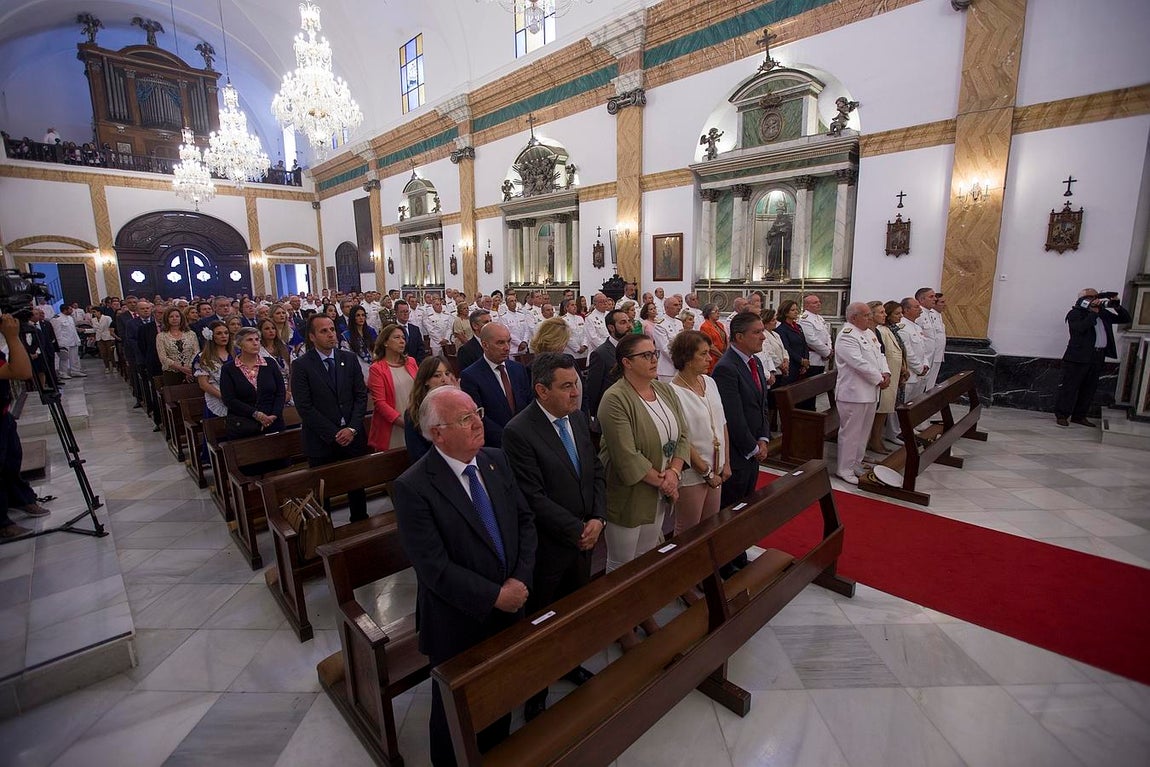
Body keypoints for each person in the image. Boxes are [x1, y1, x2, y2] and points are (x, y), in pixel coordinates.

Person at [391, 386, 536, 767]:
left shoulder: (495, 460)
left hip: (510, 603)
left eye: (477, 412)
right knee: (455, 714)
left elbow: (523, 521)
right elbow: (433, 567)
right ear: (437, 433)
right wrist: (494, 595)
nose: (478, 422)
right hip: (458, 620)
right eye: (464, 419)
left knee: (499, 694)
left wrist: (519, 581)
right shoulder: (414, 487)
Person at [502, 353, 605, 720]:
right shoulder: (519, 431)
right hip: (549, 546)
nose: (576, 393)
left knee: (574, 610)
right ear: (542, 390)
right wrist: (578, 529)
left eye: (576, 384)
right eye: (566, 386)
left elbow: (594, 471)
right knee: (542, 619)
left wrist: (598, 518)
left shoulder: (575, 419)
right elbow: (532, 496)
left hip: (584, 539)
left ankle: (570, 664)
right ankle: (536, 687)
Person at [598, 333, 688, 646]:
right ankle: (620, 624)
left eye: (654, 353)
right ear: (626, 362)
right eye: (646, 355)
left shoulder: (664, 389)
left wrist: (674, 472)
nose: (654, 360)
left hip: (661, 489)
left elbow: (683, 436)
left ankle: (640, 611)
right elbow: (626, 456)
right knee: (623, 562)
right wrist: (665, 480)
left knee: (647, 555)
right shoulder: (615, 398)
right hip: (630, 493)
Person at [292, 314, 370, 521]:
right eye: (323, 331)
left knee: (356, 488)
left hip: (353, 436)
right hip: (322, 440)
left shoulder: (349, 359)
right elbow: (305, 407)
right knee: (322, 494)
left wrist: (352, 428)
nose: (330, 335)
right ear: (312, 337)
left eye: (332, 330)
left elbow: (361, 396)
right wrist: (334, 433)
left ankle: (360, 527)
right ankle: (325, 533)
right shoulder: (302, 365)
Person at [712, 311, 770, 570]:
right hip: (737, 453)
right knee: (730, 508)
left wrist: (764, 438)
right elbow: (732, 416)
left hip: (754, 447)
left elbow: (762, 405)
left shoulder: (754, 362)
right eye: (756, 332)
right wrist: (751, 446)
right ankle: (725, 560)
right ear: (739, 336)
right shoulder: (726, 368)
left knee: (745, 506)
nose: (763, 336)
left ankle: (738, 552)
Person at [669, 330, 730, 539]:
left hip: (716, 467)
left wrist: (726, 462)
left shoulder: (709, 382)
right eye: (703, 354)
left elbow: (721, 423)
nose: (709, 358)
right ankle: (682, 570)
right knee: (688, 530)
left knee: (710, 527)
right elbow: (681, 438)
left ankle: (704, 569)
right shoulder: (673, 392)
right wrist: (706, 472)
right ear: (686, 358)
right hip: (693, 472)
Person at [1054, 288, 1131, 427]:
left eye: (1096, 297)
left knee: (1089, 388)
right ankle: (1062, 415)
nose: (1094, 300)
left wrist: (1117, 306)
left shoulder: (1103, 313)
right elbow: (1080, 328)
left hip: (1097, 356)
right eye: (1090, 297)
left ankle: (1079, 416)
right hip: (1077, 357)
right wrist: (1093, 314)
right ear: (1082, 300)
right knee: (1070, 387)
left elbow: (1125, 319)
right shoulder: (1075, 313)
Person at [834, 302, 890, 485]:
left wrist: (886, 372)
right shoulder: (847, 336)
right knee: (851, 433)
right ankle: (844, 469)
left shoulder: (868, 333)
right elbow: (857, 363)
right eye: (865, 315)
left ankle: (856, 463)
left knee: (863, 431)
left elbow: (880, 355)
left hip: (870, 392)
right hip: (854, 393)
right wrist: (879, 379)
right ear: (853, 317)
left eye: (869, 315)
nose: (870, 318)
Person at [1, 313, 45, 538]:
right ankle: (2, 523)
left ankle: (20, 499)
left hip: (3, 415)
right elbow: (22, 372)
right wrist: (12, 336)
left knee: (11, 461)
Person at [459, 323, 531, 448]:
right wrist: (508, 439)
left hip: (525, 440)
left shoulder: (518, 369)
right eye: (500, 343)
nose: (507, 348)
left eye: (508, 342)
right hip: (496, 445)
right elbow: (479, 416)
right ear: (485, 345)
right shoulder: (471, 376)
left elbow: (529, 402)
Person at [220, 326, 286, 440]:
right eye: (250, 340)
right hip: (244, 424)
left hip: (273, 421)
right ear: (240, 344)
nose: (255, 343)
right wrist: (256, 414)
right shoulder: (229, 369)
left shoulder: (270, 364)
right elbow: (229, 399)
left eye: (257, 340)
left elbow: (280, 392)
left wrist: (274, 414)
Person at [367, 323, 419, 451]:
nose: (402, 341)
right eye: (397, 338)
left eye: (403, 338)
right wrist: (404, 424)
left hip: (415, 422)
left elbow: (420, 388)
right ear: (385, 342)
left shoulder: (411, 362)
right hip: (393, 427)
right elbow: (380, 403)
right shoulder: (377, 369)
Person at [867, 301, 905, 454]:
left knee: (884, 410)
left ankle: (877, 440)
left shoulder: (878, 331)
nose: (885, 315)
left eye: (884, 312)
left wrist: (900, 368)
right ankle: (874, 441)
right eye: (881, 312)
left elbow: (883, 354)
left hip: (887, 375)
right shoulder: (878, 331)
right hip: (878, 379)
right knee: (879, 411)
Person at [404, 356, 458, 461]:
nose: (444, 379)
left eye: (447, 374)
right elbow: (418, 455)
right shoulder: (413, 414)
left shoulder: (461, 406)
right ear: (425, 381)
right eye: (437, 375)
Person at [583, 308, 631, 424]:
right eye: (623, 322)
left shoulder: (632, 348)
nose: (629, 325)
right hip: (612, 410)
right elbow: (594, 388)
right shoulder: (601, 354)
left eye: (629, 321)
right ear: (611, 327)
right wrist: (593, 415)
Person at [896, 297, 931, 406]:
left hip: (920, 374)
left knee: (916, 405)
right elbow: (908, 353)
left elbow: (924, 350)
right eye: (916, 307)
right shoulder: (902, 328)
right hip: (910, 375)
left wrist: (926, 364)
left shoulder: (917, 327)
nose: (920, 309)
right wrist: (919, 369)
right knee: (904, 406)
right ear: (906, 310)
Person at [156, 306, 198, 387]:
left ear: (181, 318)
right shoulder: (161, 336)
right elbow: (163, 357)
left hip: (190, 371)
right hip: (171, 373)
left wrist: (188, 368)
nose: (174, 318)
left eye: (177, 316)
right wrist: (181, 368)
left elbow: (196, 352)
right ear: (166, 319)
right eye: (171, 316)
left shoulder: (191, 334)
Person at [915, 287, 946, 391]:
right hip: (922, 358)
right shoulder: (919, 315)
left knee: (927, 386)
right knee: (918, 388)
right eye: (931, 297)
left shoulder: (930, 314)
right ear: (922, 300)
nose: (935, 299)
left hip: (931, 356)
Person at [774, 300, 809, 388]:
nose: (796, 312)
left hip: (802, 365)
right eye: (793, 310)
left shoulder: (798, 327)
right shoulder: (781, 329)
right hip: (792, 365)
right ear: (785, 312)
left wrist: (805, 362)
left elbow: (804, 344)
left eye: (796, 309)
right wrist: (800, 360)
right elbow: (787, 348)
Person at [651, 295, 684, 382]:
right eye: (675, 305)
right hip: (667, 369)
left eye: (679, 305)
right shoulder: (660, 325)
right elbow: (665, 348)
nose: (679, 307)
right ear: (666, 307)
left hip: (681, 366)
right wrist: (679, 361)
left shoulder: (679, 322)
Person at [342, 304, 377, 379]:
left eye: (363, 315)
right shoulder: (347, 335)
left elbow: (376, 349)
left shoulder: (370, 331)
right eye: (358, 315)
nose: (361, 318)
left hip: (373, 368)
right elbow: (346, 356)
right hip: (357, 370)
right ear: (353, 318)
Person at [50, 304, 84, 379]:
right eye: (70, 309)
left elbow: (73, 329)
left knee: (75, 357)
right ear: (65, 310)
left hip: (73, 340)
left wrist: (77, 339)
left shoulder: (70, 318)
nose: (72, 311)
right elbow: (57, 331)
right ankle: (63, 373)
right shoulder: (57, 318)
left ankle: (75, 371)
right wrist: (59, 343)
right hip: (64, 341)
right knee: (64, 358)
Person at [698, 303, 728, 373]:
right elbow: (709, 345)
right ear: (709, 313)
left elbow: (725, 340)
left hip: (722, 356)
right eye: (716, 311)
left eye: (718, 311)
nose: (718, 313)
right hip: (713, 358)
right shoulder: (705, 326)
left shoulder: (720, 324)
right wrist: (722, 356)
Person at [93, 306, 117, 374]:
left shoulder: (107, 318)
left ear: (99, 312)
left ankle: (114, 366)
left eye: (95, 312)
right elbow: (95, 329)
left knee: (110, 353)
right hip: (99, 338)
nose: (94, 314)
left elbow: (111, 327)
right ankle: (107, 367)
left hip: (108, 337)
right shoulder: (93, 320)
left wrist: (112, 338)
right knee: (103, 353)